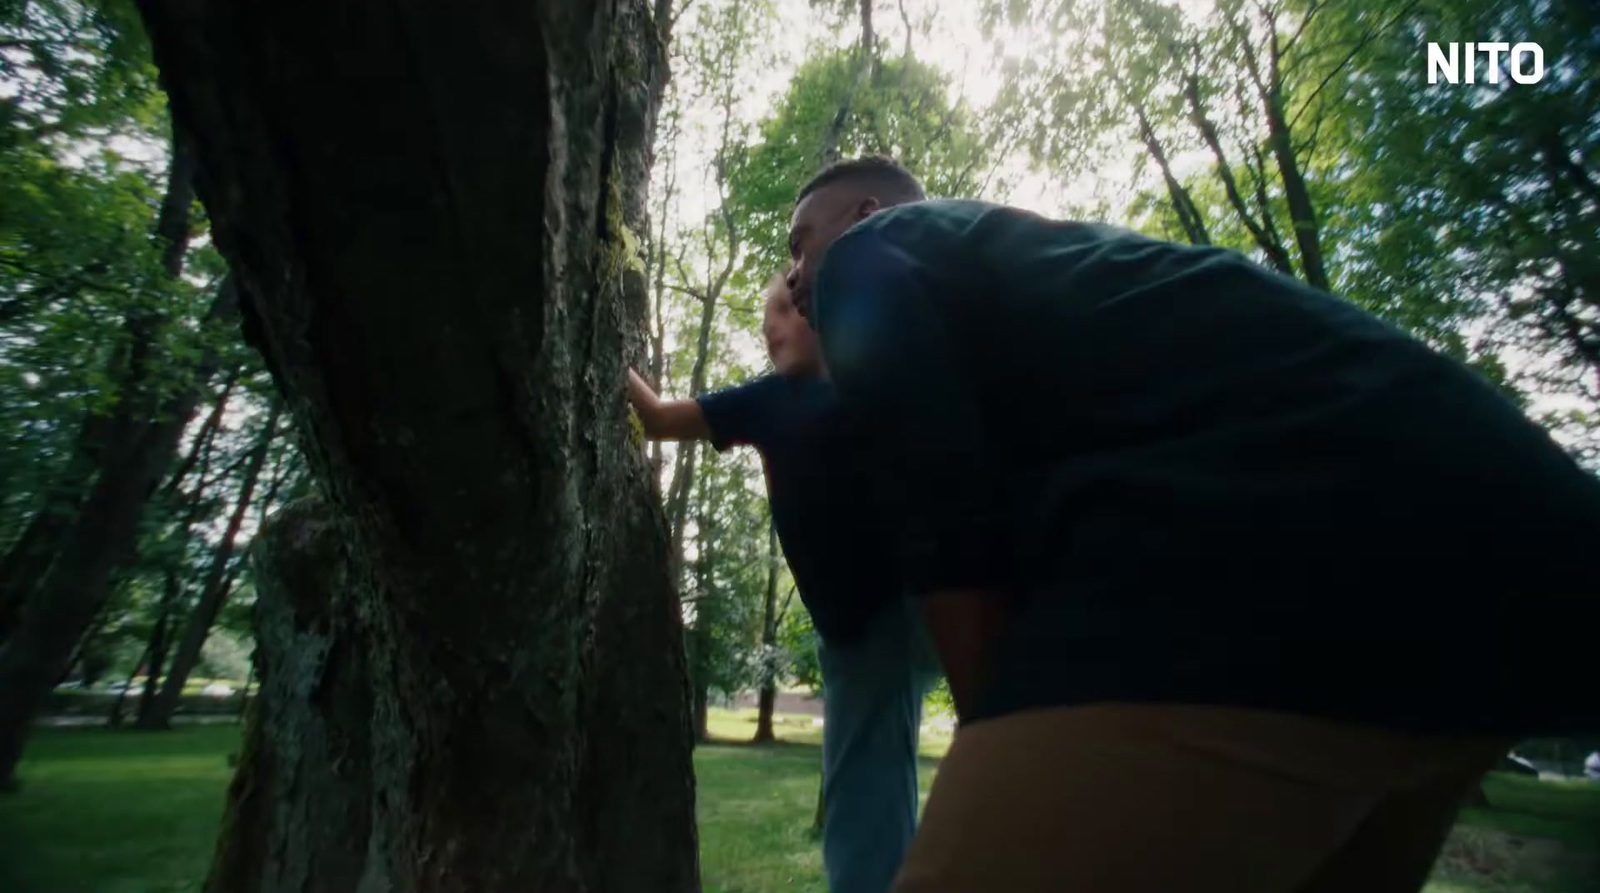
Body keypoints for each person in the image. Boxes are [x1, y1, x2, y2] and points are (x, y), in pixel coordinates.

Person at [782, 155, 1600, 893]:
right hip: (1511, 541)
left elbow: (942, 507)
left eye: (799, 243)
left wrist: (995, 726)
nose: (791, 279)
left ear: (862, 215)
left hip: (1274, 546)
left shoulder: (874, 251)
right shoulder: (1044, 273)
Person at [626, 274, 941, 893]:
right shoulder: (767, 401)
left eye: (787, 310)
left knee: (872, 782)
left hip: (909, 607)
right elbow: (658, 419)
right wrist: (612, 354)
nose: (770, 324)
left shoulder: (881, 386)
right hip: (850, 633)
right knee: (870, 783)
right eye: (766, 313)